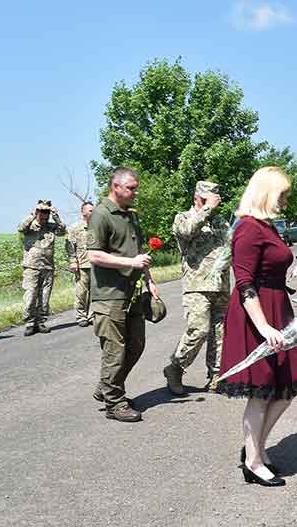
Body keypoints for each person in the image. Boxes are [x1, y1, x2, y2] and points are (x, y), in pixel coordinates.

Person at [216, 166, 297, 487]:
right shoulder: (247, 227)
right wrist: (263, 327)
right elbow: (244, 281)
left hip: (278, 309)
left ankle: (254, 448)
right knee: (261, 393)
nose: (285, 201)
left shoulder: (267, 227)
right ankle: (254, 460)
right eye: (282, 195)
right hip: (256, 315)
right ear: (267, 193)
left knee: (286, 389)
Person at [87, 167, 159, 423]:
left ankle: (107, 386)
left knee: (136, 345)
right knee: (114, 350)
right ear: (115, 186)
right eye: (131, 188)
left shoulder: (130, 216)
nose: (135, 192)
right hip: (109, 295)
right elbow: (93, 255)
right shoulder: (101, 214)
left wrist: (150, 281)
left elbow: (139, 254)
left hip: (133, 293)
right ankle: (114, 403)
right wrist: (131, 262)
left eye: (135, 187)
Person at [163, 180, 231, 395]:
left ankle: (216, 377)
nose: (215, 204)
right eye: (209, 199)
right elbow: (186, 231)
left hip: (220, 285)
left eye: (215, 200)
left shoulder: (220, 221)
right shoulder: (183, 217)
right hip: (197, 286)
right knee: (199, 330)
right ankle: (175, 367)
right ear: (198, 198)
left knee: (219, 334)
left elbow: (231, 246)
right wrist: (207, 208)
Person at [18, 200, 67, 336]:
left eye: (47, 213)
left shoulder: (51, 226)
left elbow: (63, 231)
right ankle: (30, 323)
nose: (44, 215)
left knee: (44, 297)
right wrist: (33, 214)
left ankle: (40, 322)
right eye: (42, 212)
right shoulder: (30, 225)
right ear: (37, 212)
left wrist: (56, 216)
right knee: (31, 295)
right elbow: (21, 228)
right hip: (32, 267)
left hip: (47, 266)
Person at [65, 201, 95, 327]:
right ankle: (81, 316)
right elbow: (69, 246)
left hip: (96, 264)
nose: (93, 213)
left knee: (95, 292)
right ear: (83, 212)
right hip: (82, 264)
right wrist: (73, 261)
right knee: (81, 292)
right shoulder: (74, 228)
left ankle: (92, 315)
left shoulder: (98, 226)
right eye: (90, 210)